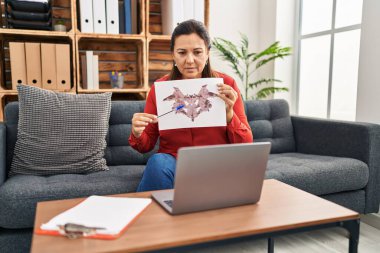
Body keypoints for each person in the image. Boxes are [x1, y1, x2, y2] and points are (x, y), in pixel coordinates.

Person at [129, 19, 253, 192]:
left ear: (208, 53)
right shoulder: (160, 88)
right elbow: (146, 145)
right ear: (173, 54)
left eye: (197, 52)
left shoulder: (227, 84)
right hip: (173, 161)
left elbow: (246, 143)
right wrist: (137, 132)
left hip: (217, 162)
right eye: (182, 52)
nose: (189, 60)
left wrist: (229, 114)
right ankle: (151, 218)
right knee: (157, 162)